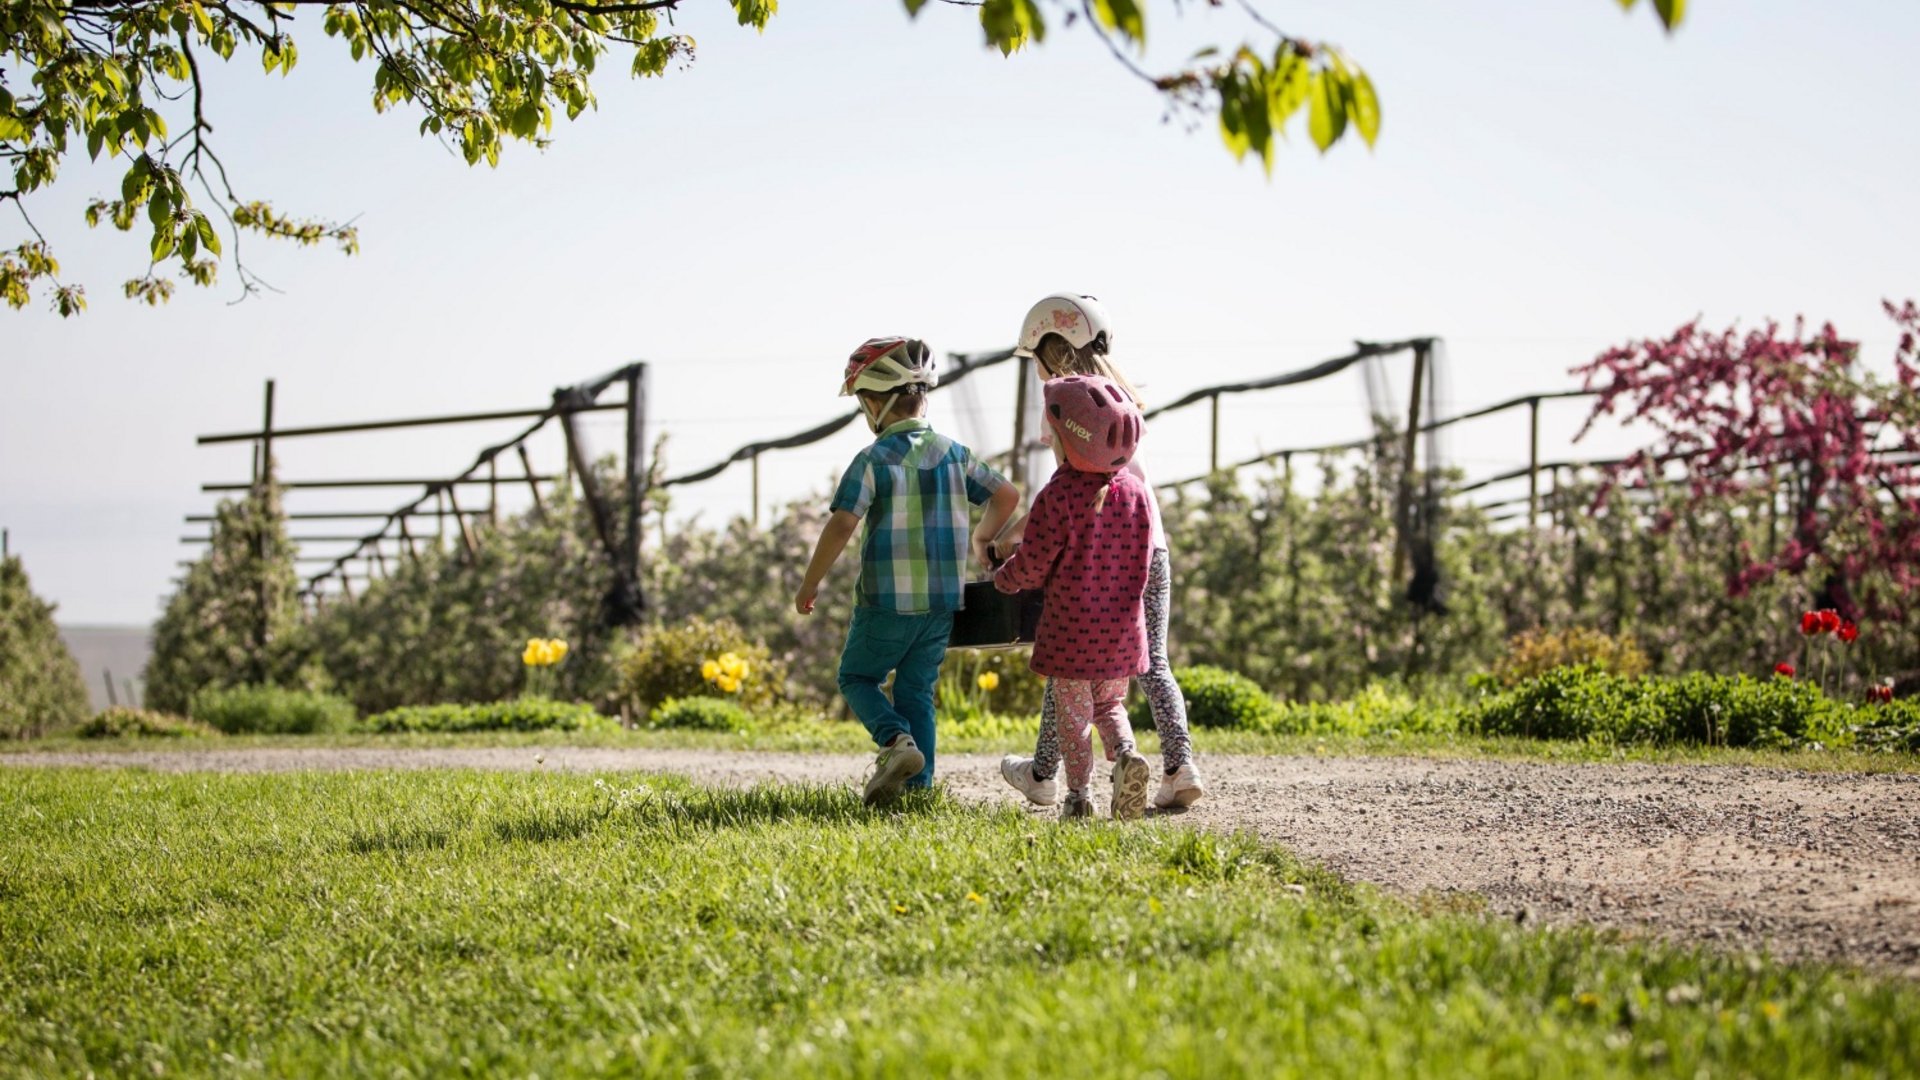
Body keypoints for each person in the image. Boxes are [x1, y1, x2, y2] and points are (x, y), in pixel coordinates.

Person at [994, 293, 1206, 810]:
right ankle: (1179, 767)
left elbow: (1064, 494)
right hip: (1148, 546)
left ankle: (1052, 778)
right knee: (1151, 661)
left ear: (1053, 349)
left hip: (1092, 551)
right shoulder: (1124, 402)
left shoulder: (1066, 402)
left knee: (1069, 655)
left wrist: (1007, 539)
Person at [796, 336, 1019, 805]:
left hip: (886, 603)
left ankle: (896, 742)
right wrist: (985, 538)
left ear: (876, 401)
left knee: (857, 678)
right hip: (941, 604)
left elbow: (841, 524)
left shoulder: (873, 459)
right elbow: (1006, 497)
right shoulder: (955, 455)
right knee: (917, 691)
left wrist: (810, 582)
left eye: (862, 404)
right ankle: (918, 789)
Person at [992, 374, 1156, 820]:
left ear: (1070, 439)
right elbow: (1143, 564)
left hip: (1071, 634)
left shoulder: (1059, 495)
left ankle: (1079, 798)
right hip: (1123, 631)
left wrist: (1002, 580)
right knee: (1109, 705)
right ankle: (1126, 756)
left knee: (1074, 718)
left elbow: (1033, 563)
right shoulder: (1137, 494)